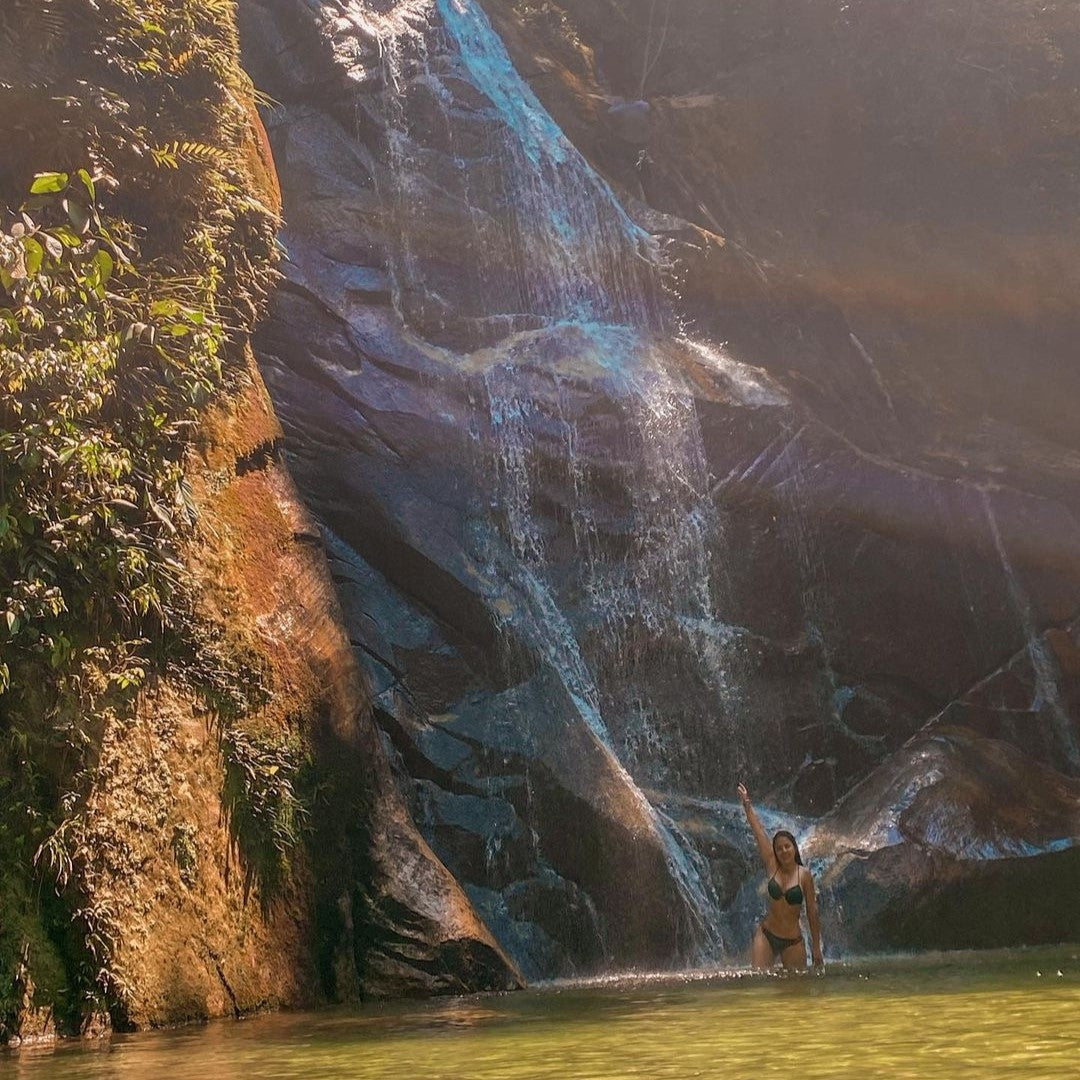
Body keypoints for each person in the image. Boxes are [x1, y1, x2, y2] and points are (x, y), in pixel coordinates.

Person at [737, 782, 823, 971]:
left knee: (796, 991)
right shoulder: (772, 864)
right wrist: (747, 804)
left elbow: (812, 912)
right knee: (759, 980)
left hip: (793, 940)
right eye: (779, 848)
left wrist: (816, 948)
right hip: (767, 934)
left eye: (787, 846)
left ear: (794, 848)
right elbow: (758, 831)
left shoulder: (804, 875)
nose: (783, 851)